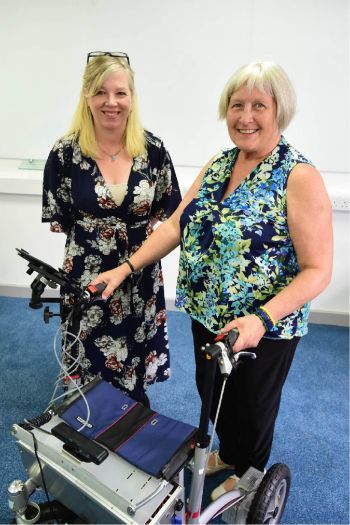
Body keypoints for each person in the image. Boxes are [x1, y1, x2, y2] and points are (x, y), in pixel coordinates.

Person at [90, 61, 333, 499]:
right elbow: (173, 227)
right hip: (206, 312)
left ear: (280, 110)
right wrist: (124, 269)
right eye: (237, 105)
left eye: (259, 105)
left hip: (264, 326)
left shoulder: (298, 176)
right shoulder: (219, 164)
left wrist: (261, 318)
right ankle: (234, 452)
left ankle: (251, 471)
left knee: (252, 408)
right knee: (213, 394)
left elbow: (318, 269)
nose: (245, 117)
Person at [42, 51, 181, 407]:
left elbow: (168, 210)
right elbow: (64, 218)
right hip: (87, 266)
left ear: (132, 98)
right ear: (86, 96)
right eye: (101, 92)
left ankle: (131, 405)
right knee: (88, 345)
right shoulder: (64, 154)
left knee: (134, 343)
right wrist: (100, 237)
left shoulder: (153, 150)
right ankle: (87, 408)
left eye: (120, 92)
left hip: (140, 266)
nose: (111, 102)